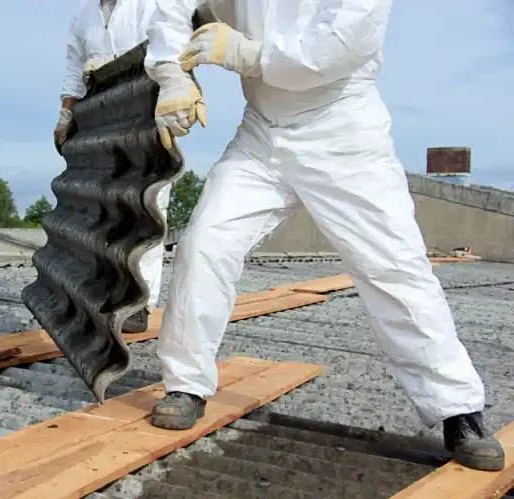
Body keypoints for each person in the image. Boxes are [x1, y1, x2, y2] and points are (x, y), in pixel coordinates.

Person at [142, 0, 505, 472]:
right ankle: (186, 384)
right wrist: (172, 74)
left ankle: (458, 409)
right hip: (262, 133)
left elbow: (337, 46)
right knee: (204, 242)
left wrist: (246, 55)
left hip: (342, 128)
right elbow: (173, 6)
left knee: (393, 266)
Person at [55, 0, 170, 333]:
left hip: (147, 105)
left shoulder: (151, 4)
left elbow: (173, 48)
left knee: (147, 205)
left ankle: (140, 303)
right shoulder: (84, 14)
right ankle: (102, 293)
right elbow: (73, 67)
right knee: (104, 206)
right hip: (100, 111)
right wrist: (66, 113)